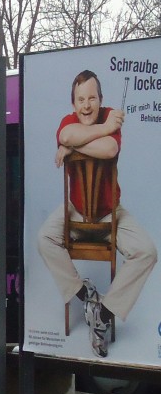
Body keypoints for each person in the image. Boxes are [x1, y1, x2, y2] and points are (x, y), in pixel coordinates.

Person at [36, 69, 157, 358]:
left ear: (101, 99)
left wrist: (72, 147)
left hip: (110, 212)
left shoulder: (111, 115)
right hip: (75, 210)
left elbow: (109, 148)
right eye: (81, 100)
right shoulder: (72, 121)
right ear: (73, 103)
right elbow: (66, 134)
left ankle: (103, 312)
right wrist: (82, 136)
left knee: (147, 252)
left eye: (92, 98)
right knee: (44, 239)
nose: (87, 105)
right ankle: (85, 294)